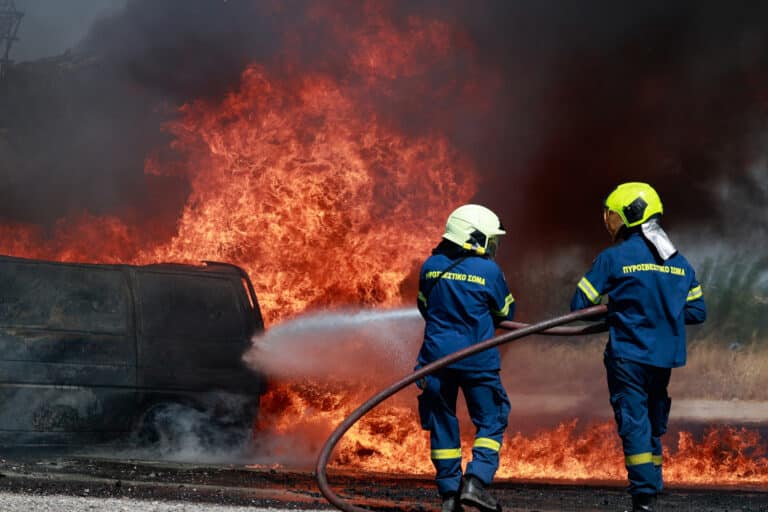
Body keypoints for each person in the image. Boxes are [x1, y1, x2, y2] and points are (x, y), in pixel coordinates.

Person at [570, 182, 706, 512]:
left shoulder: (613, 258)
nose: (610, 221)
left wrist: (623, 310)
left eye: (613, 215)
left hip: (629, 356)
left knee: (634, 422)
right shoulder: (680, 262)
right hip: (663, 358)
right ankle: (653, 484)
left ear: (629, 215)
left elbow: (579, 305)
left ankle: (643, 498)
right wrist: (660, 313)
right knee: (653, 421)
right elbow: (697, 311)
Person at [415, 204, 515, 512]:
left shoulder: (430, 266)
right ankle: (476, 481)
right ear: (473, 237)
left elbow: (424, 306)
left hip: (435, 361)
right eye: (489, 239)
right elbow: (505, 311)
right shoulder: (488, 271)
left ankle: (449, 496)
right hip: (477, 361)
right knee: (491, 419)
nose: (492, 246)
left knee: (442, 423)